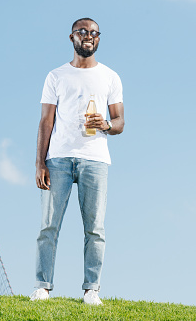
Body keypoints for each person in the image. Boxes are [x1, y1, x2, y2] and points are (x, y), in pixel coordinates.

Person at [30, 18, 124, 305]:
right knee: (49, 226)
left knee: (95, 228)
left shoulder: (110, 77)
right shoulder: (55, 76)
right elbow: (46, 121)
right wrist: (40, 163)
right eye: (83, 32)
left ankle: (91, 290)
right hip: (57, 159)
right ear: (72, 36)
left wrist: (106, 124)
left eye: (94, 33)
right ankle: (43, 287)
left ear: (98, 39)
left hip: (95, 160)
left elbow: (120, 123)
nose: (89, 37)